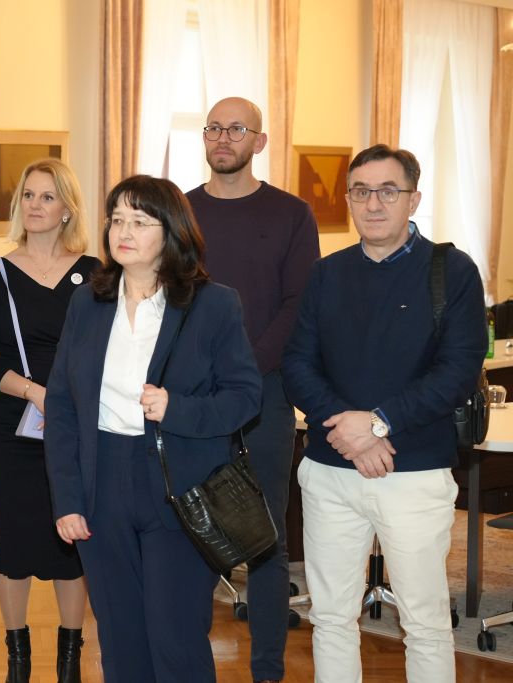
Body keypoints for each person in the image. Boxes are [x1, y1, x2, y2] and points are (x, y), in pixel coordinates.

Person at [281, 144, 487, 683]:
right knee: (330, 617)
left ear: (413, 199)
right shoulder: (325, 274)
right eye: (361, 191)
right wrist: (349, 430)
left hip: (413, 472)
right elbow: (297, 364)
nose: (373, 204)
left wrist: (376, 424)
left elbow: (457, 371)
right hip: (331, 470)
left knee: (425, 624)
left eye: (388, 191)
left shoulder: (453, 271)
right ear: (349, 198)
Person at [45, 175, 262, 682]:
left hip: (179, 487)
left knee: (175, 639)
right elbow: (62, 406)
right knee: (120, 639)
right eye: (117, 220)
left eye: (140, 222)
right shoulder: (88, 302)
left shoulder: (213, 304)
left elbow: (245, 397)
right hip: (101, 485)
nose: (124, 231)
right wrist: (68, 499)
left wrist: (177, 409)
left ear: (172, 231)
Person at [185, 96, 320, 683]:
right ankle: (188, 666)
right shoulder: (180, 211)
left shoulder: (292, 214)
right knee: (189, 532)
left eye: (236, 129)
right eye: (214, 128)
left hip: (265, 397)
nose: (223, 138)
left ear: (259, 142)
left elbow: (299, 305)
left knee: (266, 541)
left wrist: (243, 373)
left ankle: (267, 671)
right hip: (190, 401)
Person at [0, 158, 97, 683]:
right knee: (15, 541)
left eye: (48, 196)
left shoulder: (95, 274)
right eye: (28, 195)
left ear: (67, 208)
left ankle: (70, 660)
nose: (35, 205)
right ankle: (17, 659)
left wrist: (67, 400)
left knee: (71, 540)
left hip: (76, 425)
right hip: (12, 422)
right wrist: (34, 392)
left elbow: (105, 352)